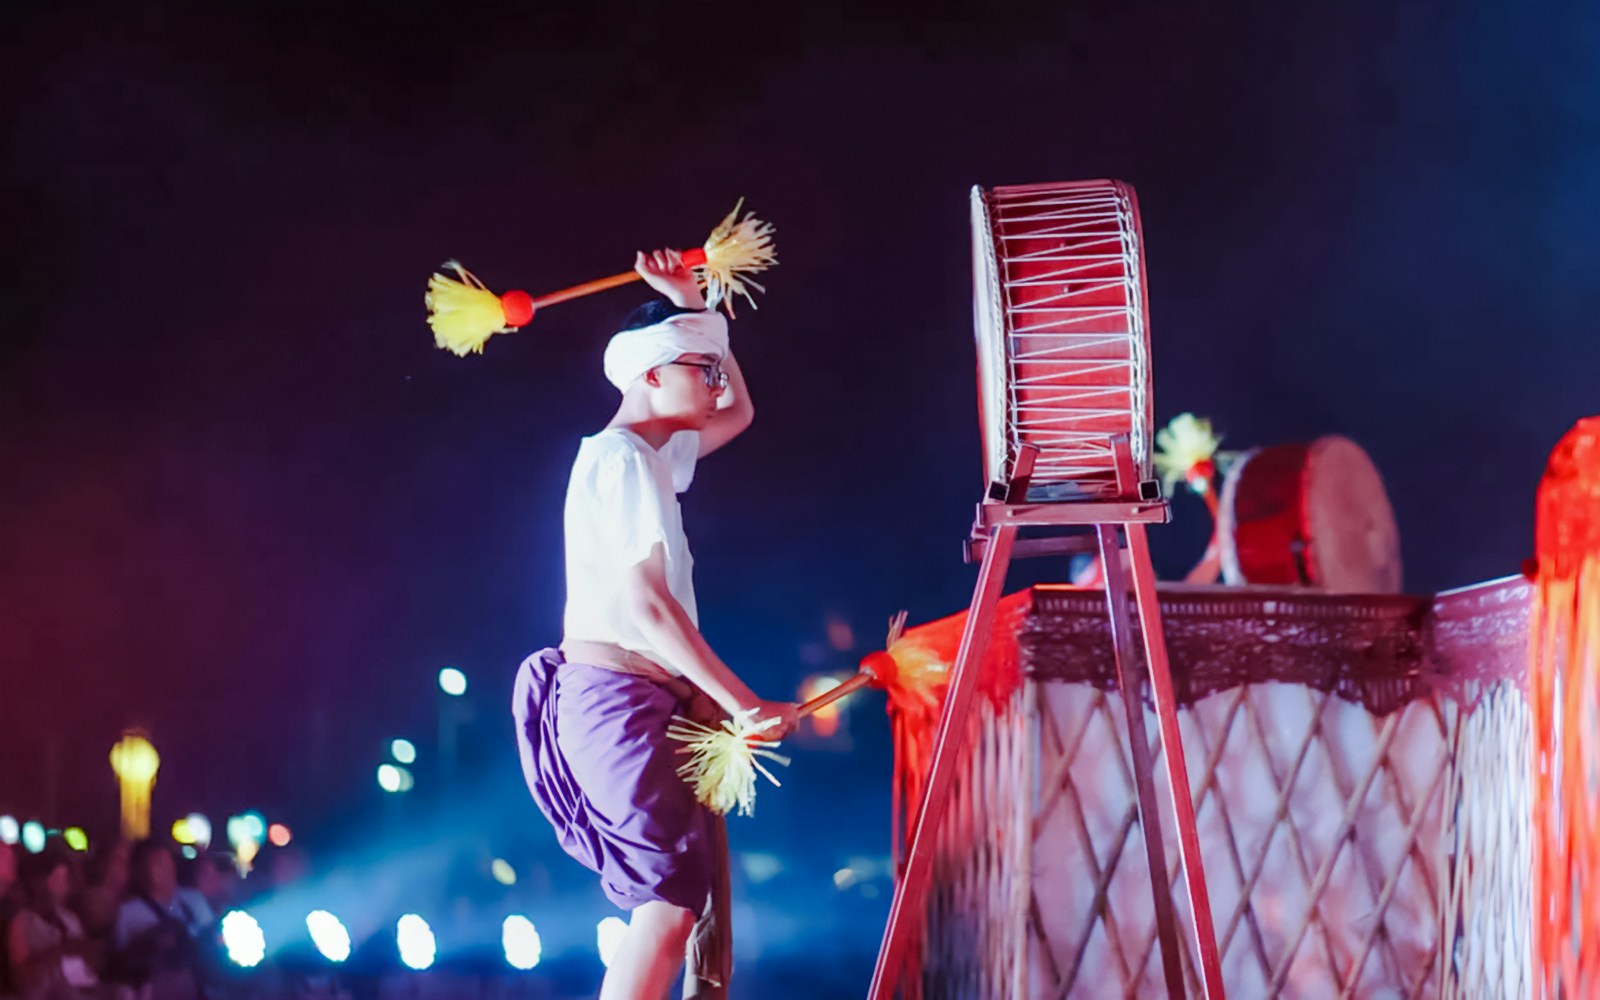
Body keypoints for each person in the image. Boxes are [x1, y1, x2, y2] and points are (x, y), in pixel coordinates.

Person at [514, 249, 798, 1000]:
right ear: (648, 375)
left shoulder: (646, 456)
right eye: (698, 368)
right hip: (617, 700)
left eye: (713, 367)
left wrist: (696, 306)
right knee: (667, 904)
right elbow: (647, 608)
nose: (714, 382)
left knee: (675, 903)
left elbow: (741, 412)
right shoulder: (623, 460)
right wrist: (743, 701)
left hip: (636, 703)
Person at [108, 841, 200, 1000]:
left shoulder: (189, 903)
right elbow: (128, 961)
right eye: (160, 863)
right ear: (144, 871)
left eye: (169, 861)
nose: (168, 868)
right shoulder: (131, 911)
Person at [4, 847, 99, 1000]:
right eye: (57, 879)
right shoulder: (22, 921)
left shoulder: (70, 919)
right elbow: (22, 980)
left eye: (64, 880)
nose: (61, 887)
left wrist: (88, 953)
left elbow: (88, 972)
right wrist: (58, 952)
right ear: (38, 881)